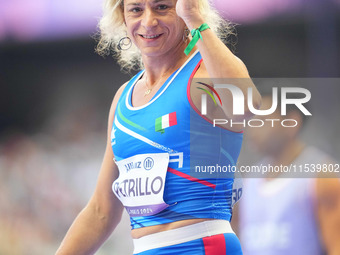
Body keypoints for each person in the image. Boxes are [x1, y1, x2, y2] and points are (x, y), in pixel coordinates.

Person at [56, 0, 261, 254]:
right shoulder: (123, 98)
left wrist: (194, 17)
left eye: (162, 7)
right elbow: (100, 212)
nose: (148, 21)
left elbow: (247, 107)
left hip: (202, 244)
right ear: (122, 16)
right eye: (136, 9)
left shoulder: (203, 75)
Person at [236, 91, 340, 255]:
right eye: (251, 121)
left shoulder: (321, 176)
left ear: (292, 122)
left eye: (262, 121)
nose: (252, 130)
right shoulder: (248, 181)